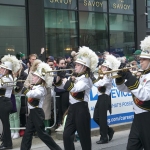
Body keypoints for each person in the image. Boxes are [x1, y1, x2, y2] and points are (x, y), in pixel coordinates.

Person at [55, 46, 98, 150]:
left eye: (78, 65)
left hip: (81, 109)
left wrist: (66, 78)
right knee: (66, 135)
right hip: (72, 109)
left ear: (84, 67)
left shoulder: (86, 80)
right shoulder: (75, 76)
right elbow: (60, 86)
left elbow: (74, 89)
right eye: (76, 64)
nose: (76, 66)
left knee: (84, 138)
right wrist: (59, 76)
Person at [115, 36, 150, 150]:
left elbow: (144, 95)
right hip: (137, 118)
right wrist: (121, 78)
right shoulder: (142, 74)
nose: (140, 61)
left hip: (147, 118)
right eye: (140, 59)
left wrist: (130, 77)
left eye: (144, 59)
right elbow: (124, 89)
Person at [20, 62, 62, 150]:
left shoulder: (42, 89)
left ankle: (57, 149)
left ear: (40, 78)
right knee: (27, 133)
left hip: (37, 112)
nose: (33, 77)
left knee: (42, 134)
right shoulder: (36, 86)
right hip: (33, 112)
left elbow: (32, 94)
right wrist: (28, 87)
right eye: (33, 76)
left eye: (35, 76)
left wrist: (25, 89)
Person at [92, 55, 120, 144]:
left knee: (102, 119)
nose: (102, 68)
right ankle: (109, 130)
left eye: (105, 67)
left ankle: (104, 137)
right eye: (103, 66)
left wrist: (92, 78)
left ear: (108, 68)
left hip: (105, 97)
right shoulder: (102, 75)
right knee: (95, 117)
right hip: (100, 97)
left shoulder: (108, 77)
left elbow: (99, 84)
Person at [0, 55, 20, 149]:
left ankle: (8, 144)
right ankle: (5, 141)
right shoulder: (4, 77)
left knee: (5, 124)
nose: (1, 69)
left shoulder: (7, 78)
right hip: (3, 102)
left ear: (7, 70)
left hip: (4, 102)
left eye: (3, 68)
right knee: (4, 124)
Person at [9, 62, 28, 139]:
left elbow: (18, 89)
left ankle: (16, 131)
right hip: (9, 97)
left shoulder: (19, 77)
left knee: (16, 115)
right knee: (10, 116)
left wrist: (15, 78)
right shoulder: (10, 77)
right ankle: (12, 131)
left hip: (17, 97)